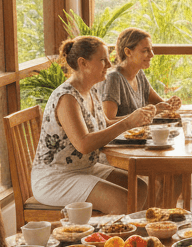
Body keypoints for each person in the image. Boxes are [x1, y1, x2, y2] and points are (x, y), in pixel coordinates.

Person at [31, 35, 155, 213]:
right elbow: (84, 144)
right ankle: (108, 238)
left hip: (84, 169)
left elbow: (106, 124)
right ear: (83, 63)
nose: (109, 65)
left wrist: (136, 117)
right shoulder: (67, 98)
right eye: (103, 60)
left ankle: (122, 235)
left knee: (140, 187)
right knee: (121, 201)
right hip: (56, 178)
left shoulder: (91, 91)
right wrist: (128, 122)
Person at [101, 27, 182, 120]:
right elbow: (108, 121)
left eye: (151, 49)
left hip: (141, 133)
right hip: (122, 135)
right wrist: (155, 110)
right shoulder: (114, 78)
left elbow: (159, 104)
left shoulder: (139, 74)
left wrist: (171, 104)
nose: (152, 55)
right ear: (128, 52)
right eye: (145, 50)